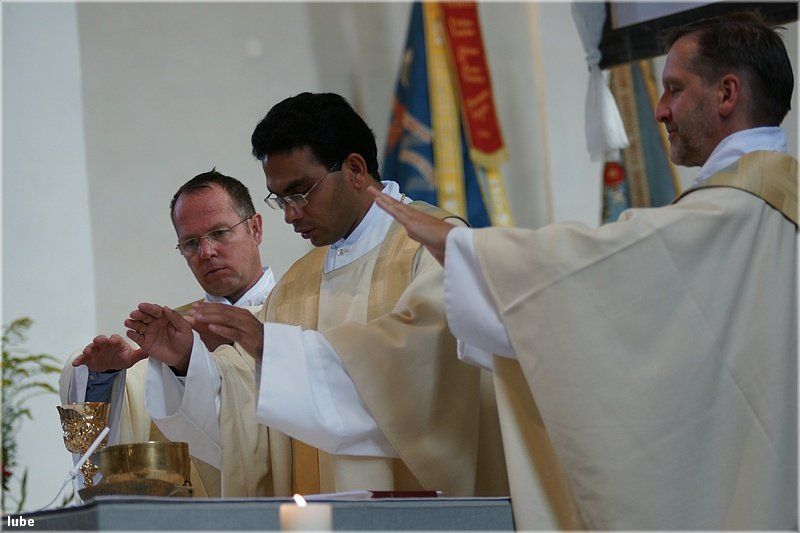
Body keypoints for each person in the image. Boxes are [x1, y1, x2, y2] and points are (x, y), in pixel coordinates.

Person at [368, 12, 796, 530]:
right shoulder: (771, 207)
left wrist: (462, 246)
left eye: (675, 88)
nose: (660, 109)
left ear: (727, 94)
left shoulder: (727, 214)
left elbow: (595, 273)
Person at [130, 92, 508, 496]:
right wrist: (186, 362)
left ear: (355, 169)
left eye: (300, 191)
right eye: (280, 199)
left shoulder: (434, 246)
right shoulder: (296, 283)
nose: (290, 213)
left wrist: (271, 347)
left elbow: (426, 371)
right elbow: (248, 410)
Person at [59, 169, 285, 497]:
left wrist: (188, 362)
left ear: (255, 228)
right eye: (191, 243)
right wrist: (104, 378)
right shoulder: (171, 332)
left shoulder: (297, 312)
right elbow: (122, 432)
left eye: (220, 233)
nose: (206, 252)